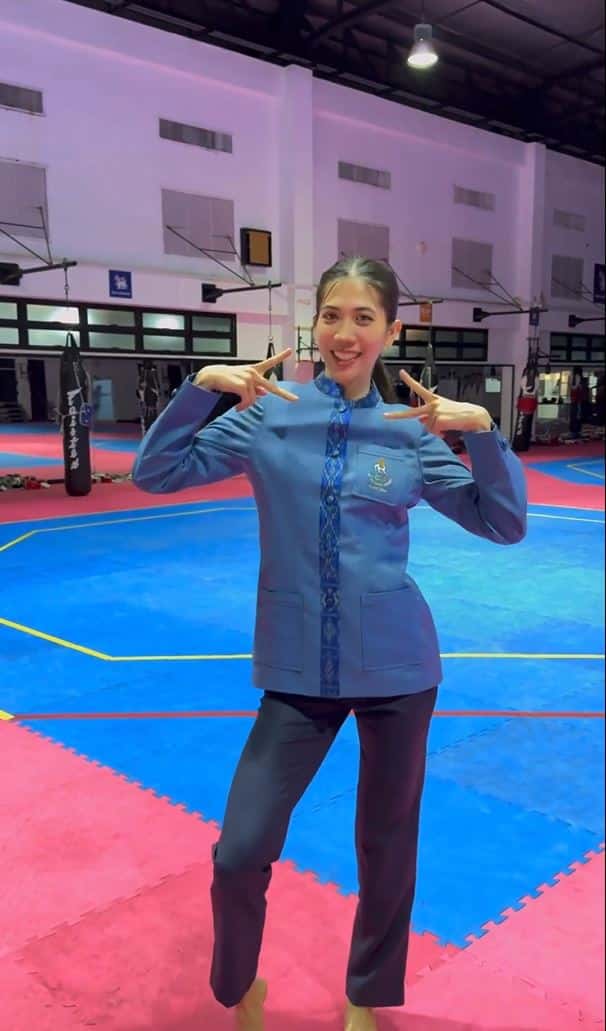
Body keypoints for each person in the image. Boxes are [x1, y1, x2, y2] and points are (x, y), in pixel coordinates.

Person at [132, 257, 527, 1031]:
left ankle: (367, 994)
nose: (345, 333)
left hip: (399, 669)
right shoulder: (269, 414)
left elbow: (503, 521)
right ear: (313, 322)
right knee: (239, 849)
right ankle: (239, 984)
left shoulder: (410, 432)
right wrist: (204, 388)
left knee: (387, 846)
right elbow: (156, 470)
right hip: (296, 671)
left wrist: (482, 432)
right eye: (332, 315)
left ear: (391, 331)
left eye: (364, 317)